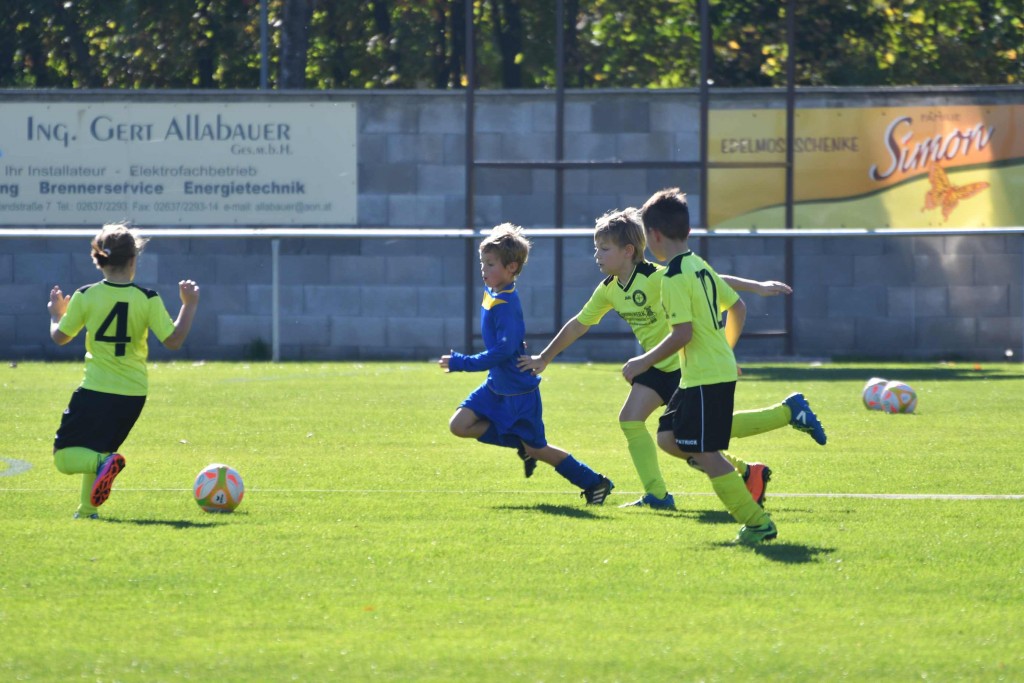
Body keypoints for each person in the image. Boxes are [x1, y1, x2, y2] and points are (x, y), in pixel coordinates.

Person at [519, 208, 825, 510]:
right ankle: (660, 495)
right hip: (655, 367)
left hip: (681, 365)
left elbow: (707, 278)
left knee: (689, 435)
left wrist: (756, 286)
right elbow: (578, 324)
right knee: (633, 420)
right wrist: (545, 358)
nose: (597, 255)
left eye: (604, 248)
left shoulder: (657, 276)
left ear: (628, 251)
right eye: (596, 248)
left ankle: (783, 418)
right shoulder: (609, 290)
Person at [622, 188, 778, 544]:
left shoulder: (675, 276)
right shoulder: (698, 264)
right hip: (700, 375)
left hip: (705, 376)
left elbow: (682, 333)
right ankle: (748, 484)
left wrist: (643, 360)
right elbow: (738, 307)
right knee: (669, 437)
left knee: (706, 453)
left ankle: (757, 522)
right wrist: (726, 352)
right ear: (687, 232)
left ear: (655, 236)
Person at [439, 223, 614, 504]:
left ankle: (594, 482)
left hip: (519, 393)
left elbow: (503, 351)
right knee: (459, 425)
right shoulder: (493, 292)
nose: (484, 269)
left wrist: (463, 363)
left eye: (491, 264)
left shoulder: (507, 304)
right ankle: (521, 445)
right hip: (496, 386)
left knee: (539, 449)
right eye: (482, 262)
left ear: (511, 267)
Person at [48, 222, 199, 519]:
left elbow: (60, 337)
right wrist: (189, 305)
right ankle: (87, 510)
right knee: (97, 451)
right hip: (132, 394)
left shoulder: (85, 295)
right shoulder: (148, 298)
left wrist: (56, 314)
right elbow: (174, 340)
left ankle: (104, 466)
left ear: (98, 259)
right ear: (133, 260)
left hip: (96, 389)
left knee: (65, 458)